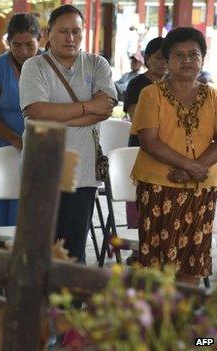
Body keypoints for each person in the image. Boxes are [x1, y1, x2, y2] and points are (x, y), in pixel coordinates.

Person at [19, 4, 117, 263]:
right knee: (41, 251)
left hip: (82, 173)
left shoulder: (97, 64)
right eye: (63, 31)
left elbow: (105, 109)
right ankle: (39, 304)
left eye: (76, 31)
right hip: (42, 171)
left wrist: (59, 116)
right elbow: (37, 111)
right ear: (48, 33)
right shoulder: (34, 66)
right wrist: (87, 108)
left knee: (73, 251)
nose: (70, 38)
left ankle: (69, 305)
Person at [131, 27, 217, 286]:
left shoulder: (212, 95)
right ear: (166, 61)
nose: (187, 60)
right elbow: (148, 141)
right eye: (178, 55)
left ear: (203, 58)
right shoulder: (150, 94)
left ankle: (181, 322)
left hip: (201, 189)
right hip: (159, 188)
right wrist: (189, 165)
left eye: (194, 54)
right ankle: (157, 321)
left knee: (193, 260)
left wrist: (194, 169)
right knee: (158, 264)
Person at [0, 13, 41, 231]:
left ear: (39, 40)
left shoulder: (48, 66)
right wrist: (15, 139)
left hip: (38, 146)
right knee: (4, 208)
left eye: (29, 45)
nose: (23, 51)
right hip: (2, 143)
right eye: (17, 45)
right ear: (9, 43)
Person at [122, 37, 167, 235]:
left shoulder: (177, 85)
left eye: (167, 58)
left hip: (169, 152)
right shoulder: (136, 84)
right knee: (137, 198)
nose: (163, 62)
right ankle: (137, 246)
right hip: (141, 148)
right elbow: (136, 118)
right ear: (147, 58)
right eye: (159, 57)